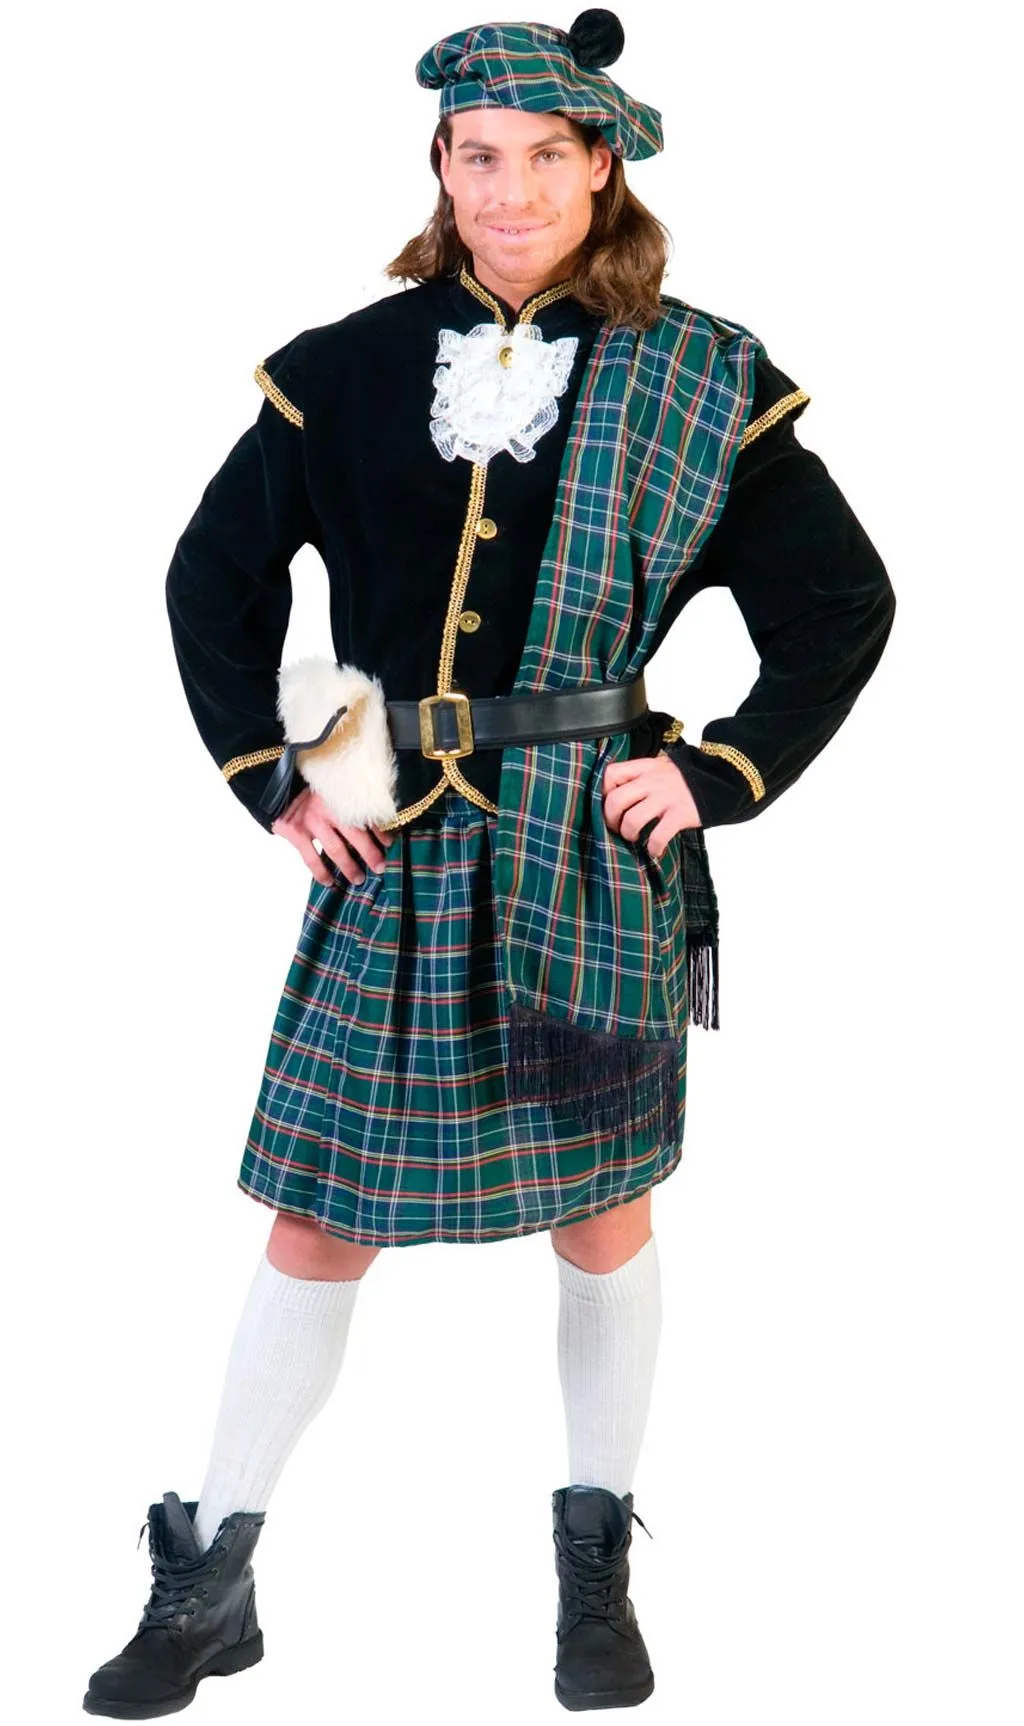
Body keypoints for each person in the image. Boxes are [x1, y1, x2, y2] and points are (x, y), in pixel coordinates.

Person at [83, 9, 896, 1717]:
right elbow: (210, 579)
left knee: (603, 1211)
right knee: (319, 1213)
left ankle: (595, 1562)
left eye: (542, 156)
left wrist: (717, 771)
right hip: (397, 846)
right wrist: (280, 776)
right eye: (477, 157)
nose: (508, 190)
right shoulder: (350, 364)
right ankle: (212, 1568)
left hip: (589, 853)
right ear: (441, 172)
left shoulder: (702, 375)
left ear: (601, 169)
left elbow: (844, 602)